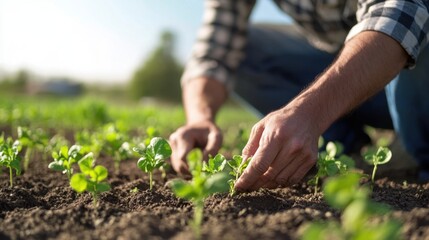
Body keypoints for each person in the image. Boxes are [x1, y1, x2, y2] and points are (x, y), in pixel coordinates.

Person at [169, 0, 429, 191]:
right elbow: (214, 51)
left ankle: (417, 146)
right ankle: (338, 147)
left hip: (411, 65)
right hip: (346, 70)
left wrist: (310, 111)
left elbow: (401, 14)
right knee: (245, 50)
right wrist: (199, 118)